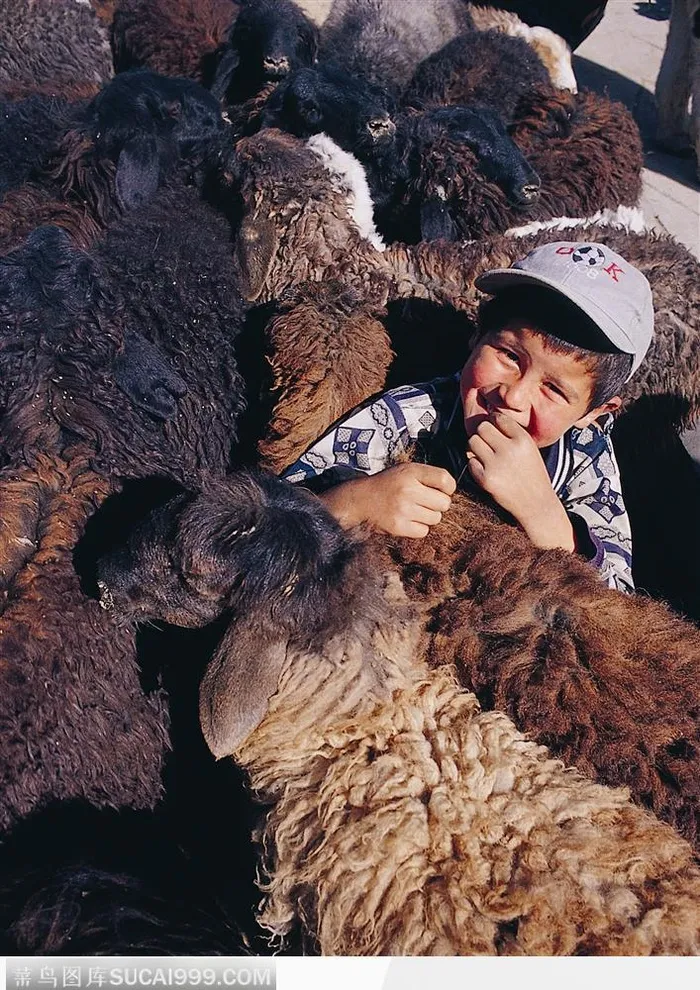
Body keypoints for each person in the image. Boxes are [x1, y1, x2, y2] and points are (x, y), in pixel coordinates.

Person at [282, 241, 655, 594]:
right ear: (476, 337)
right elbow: (275, 507)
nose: (513, 396)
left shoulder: (586, 461)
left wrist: (545, 515)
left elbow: (619, 603)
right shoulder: (408, 416)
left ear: (594, 414)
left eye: (554, 390)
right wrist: (352, 503)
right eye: (510, 356)